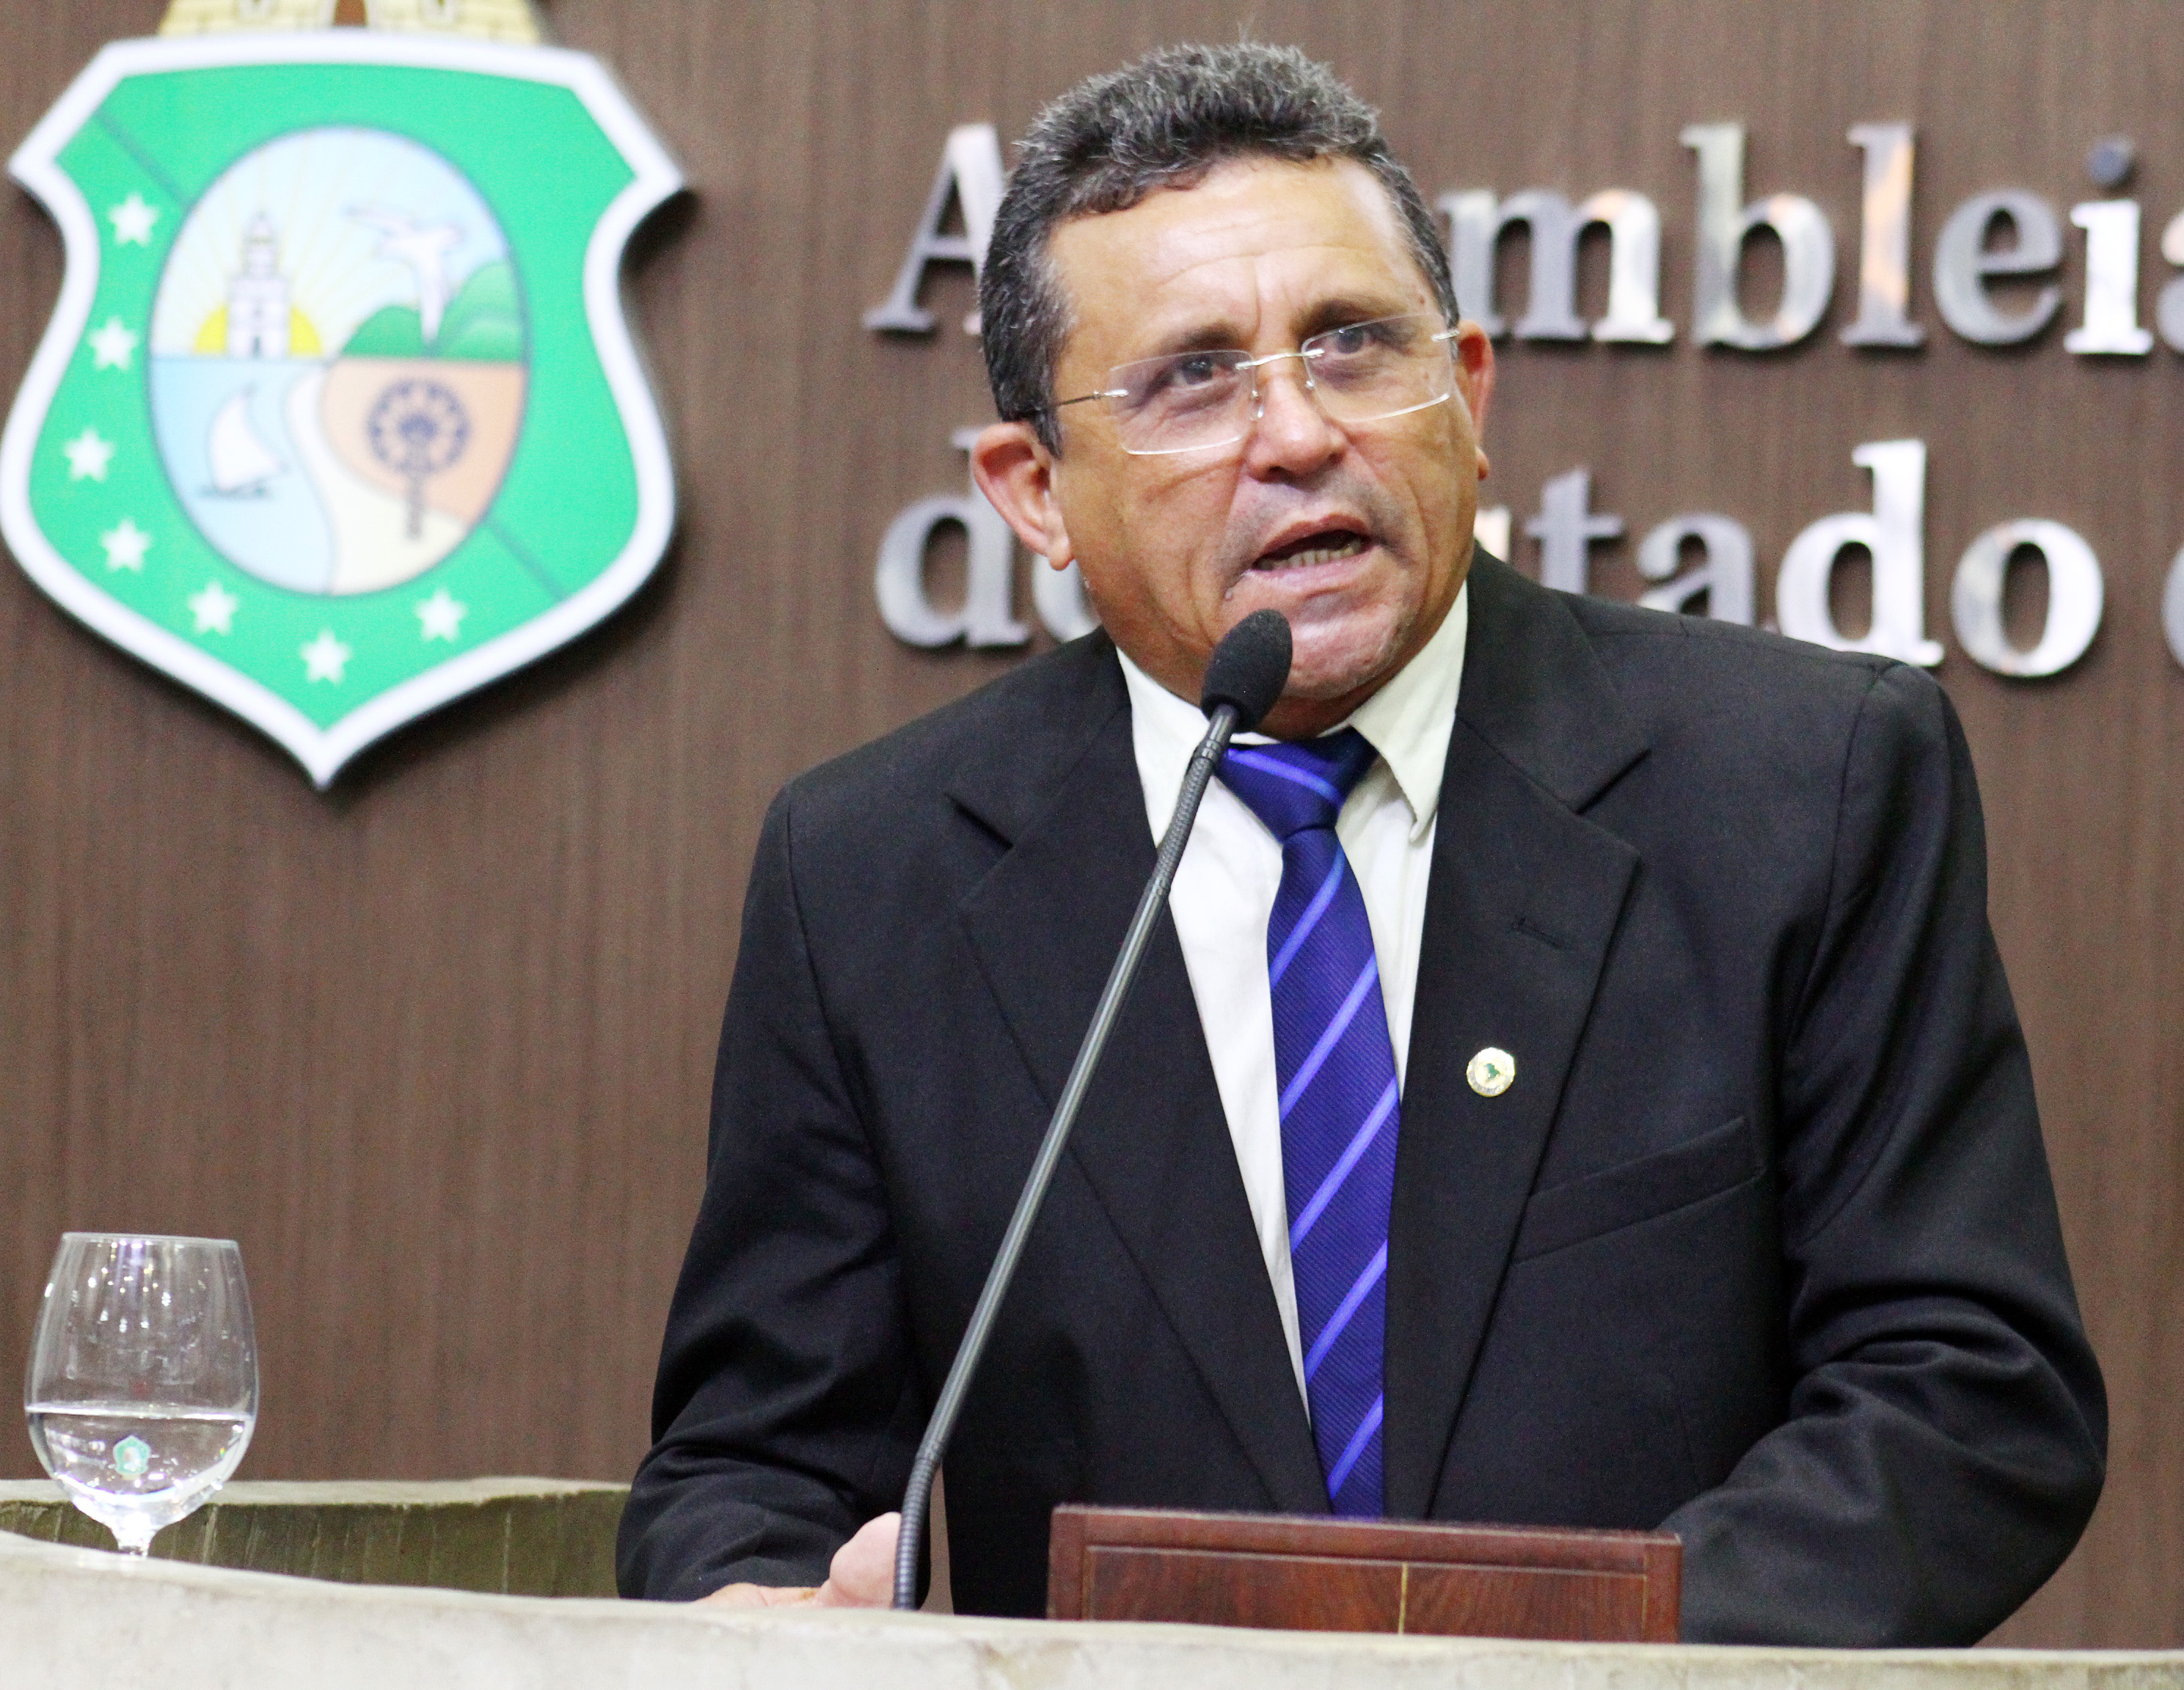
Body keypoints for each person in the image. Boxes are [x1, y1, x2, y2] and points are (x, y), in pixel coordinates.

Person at [618, 43, 2107, 1644]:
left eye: (1353, 346)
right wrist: (762, 1604)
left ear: (1468, 393)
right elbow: (755, 1463)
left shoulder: (1804, 784)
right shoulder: (874, 877)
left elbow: (1967, 1392)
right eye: (1194, 379)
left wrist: (1575, 1673)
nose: (1297, 435)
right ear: (1034, 490)